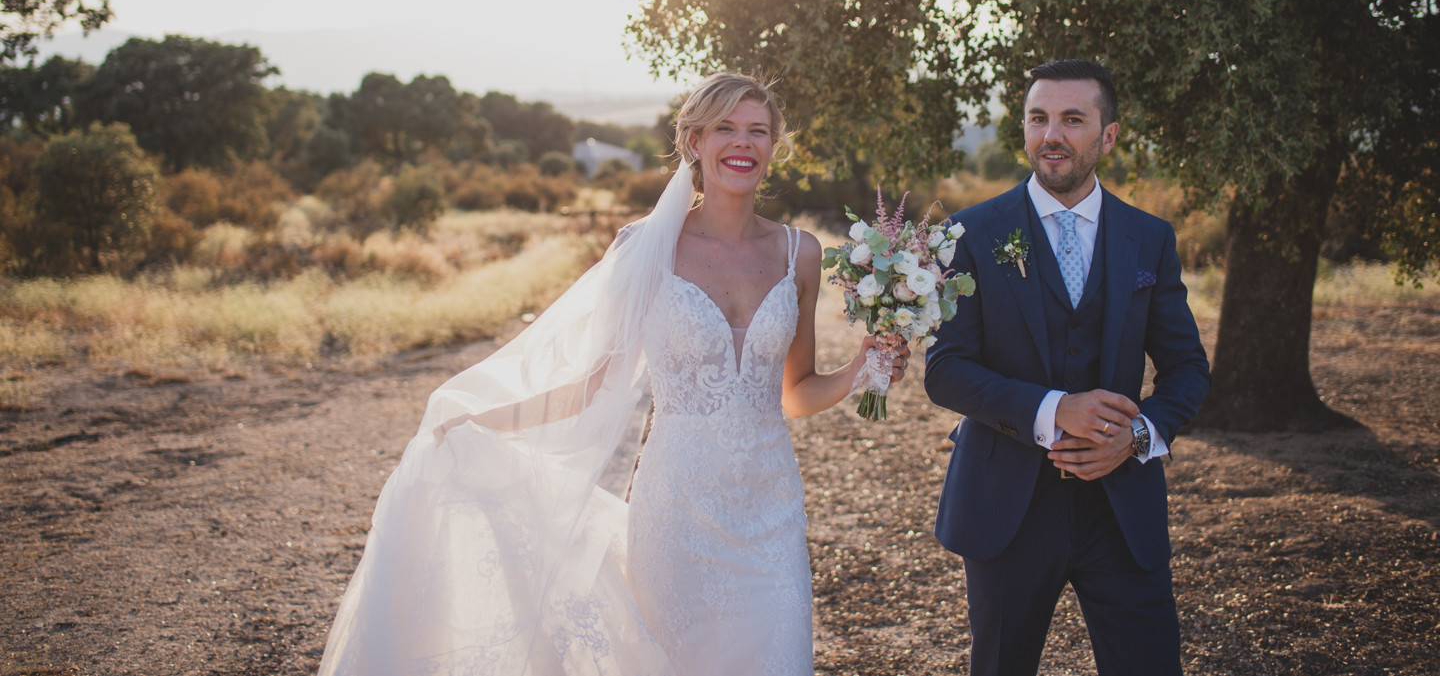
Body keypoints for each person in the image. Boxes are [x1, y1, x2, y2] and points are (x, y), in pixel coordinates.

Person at [318, 72, 900, 676]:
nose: (742, 143)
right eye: (724, 128)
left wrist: (862, 368)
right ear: (694, 143)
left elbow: (795, 393)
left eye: (757, 131)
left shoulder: (799, 253)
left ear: (774, 146)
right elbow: (593, 385)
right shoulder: (645, 247)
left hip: (770, 512)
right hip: (676, 514)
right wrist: (481, 425)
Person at [923, 59, 1211, 676]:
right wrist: (1055, 411)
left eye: (1072, 119)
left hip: (1121, 507)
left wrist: (1134, 439)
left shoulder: (1149, 238)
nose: (1051, 134)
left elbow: (1187, 368)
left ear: (1107, 136)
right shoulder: (970, 233)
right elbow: (945, 369)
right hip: (1007, 506)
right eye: (1038, 118)